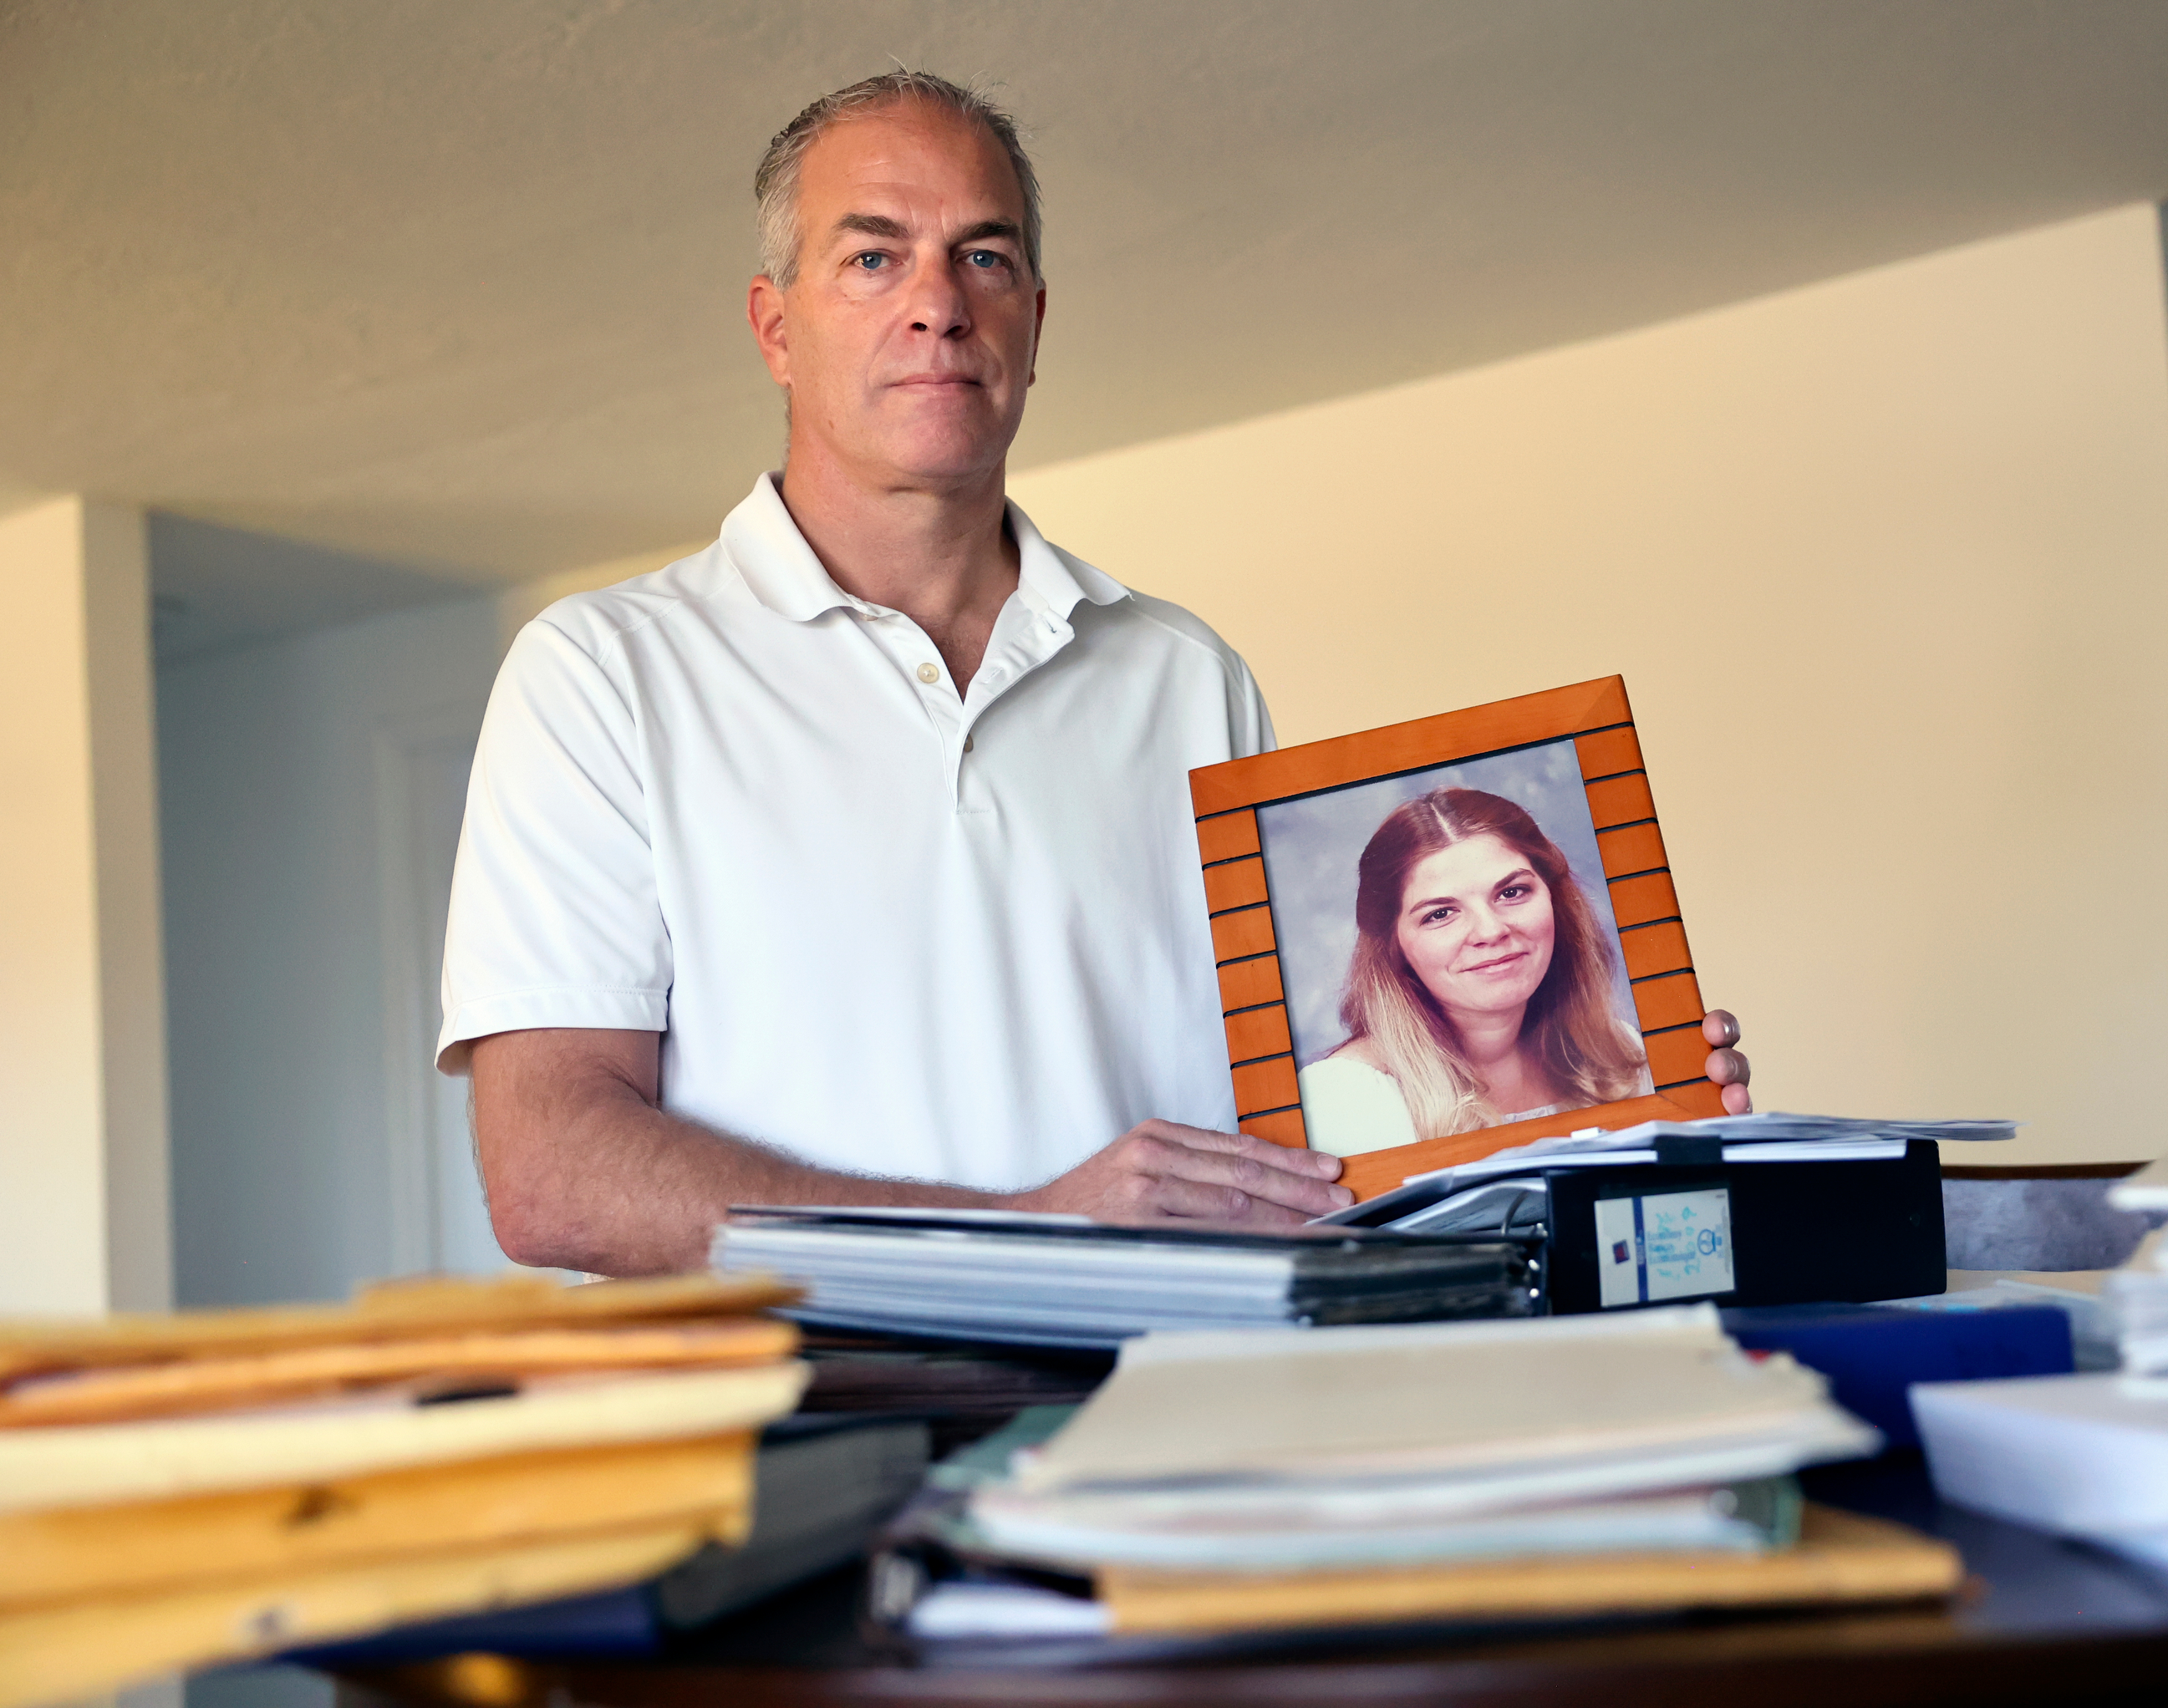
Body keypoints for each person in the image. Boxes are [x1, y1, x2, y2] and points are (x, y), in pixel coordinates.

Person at [437, 73, 1751, 1277]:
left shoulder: (1187, 680)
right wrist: (1030, 1232)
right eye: (873, 256)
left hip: (1175, 1408)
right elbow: (552, 1176)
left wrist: (1617, 1111)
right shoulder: (602, 673)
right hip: (805, 1426)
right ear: (776, 328)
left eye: (985, 257)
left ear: (1034, 321)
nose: (938, 303)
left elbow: (1307, 1153)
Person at [1298, 788, 1651, 1157]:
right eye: (1440, 914)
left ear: (1554, 899)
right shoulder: (1344, 1098)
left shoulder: (1618, 1052)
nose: (1491, 931)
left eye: (1512, 892)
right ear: (1394, 945)